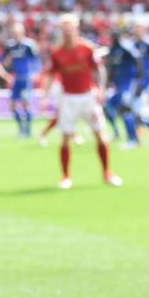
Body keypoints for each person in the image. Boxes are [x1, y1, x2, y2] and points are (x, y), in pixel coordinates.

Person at [43, 14, 122, 189]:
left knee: (100, 135)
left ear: (76, 28)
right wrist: (46, 95)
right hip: (68, 99)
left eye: (70, 27)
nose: (67, 31)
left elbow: (98, 69)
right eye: (64, 28)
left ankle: (107, 172)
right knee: (65, 138)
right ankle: (66, 176)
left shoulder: (87, 48)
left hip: (87, 97)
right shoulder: (57, 52)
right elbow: (51, 75)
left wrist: (101, 89)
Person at [104, 32, 145, 148]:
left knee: (125, 109)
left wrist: (140, 81)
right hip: (119, 86)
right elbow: (110, 68)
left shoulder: (127, 47)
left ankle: (133, 139)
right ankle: (117, 132)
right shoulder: (113, 50)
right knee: (106, 108)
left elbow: (138, 61)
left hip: (129, 84)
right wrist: (107, 84)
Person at [2, 22, 41, 138]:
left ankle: (28, 130)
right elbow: (3, 59)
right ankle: (21, 129)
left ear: (22, 32)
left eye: (17, 32)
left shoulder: (29, 45)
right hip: (16, 79)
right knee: (12, 106)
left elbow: (36, 61)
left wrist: (35, 73)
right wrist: (4, 66)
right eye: (13, 32)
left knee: (25, 104)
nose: (15, 34)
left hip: (26, 78)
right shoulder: (10, 45)